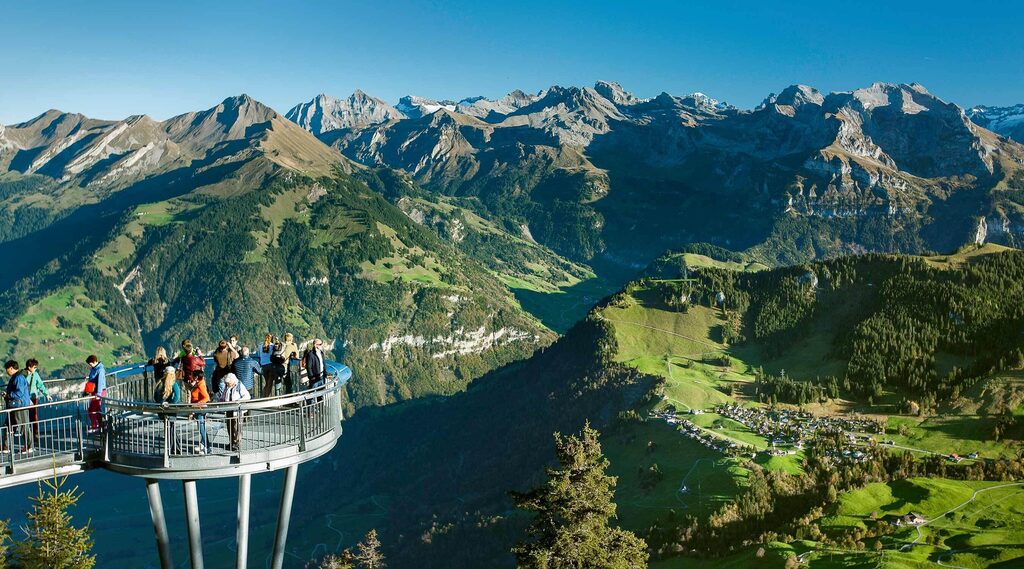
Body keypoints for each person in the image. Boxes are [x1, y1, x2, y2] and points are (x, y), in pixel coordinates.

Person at [5, 360, 33, 453]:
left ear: (11, 368)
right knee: (8, 426)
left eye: (7, 369)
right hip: (14, 405)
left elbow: (19, 393)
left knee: (23, 426)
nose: (6, 371)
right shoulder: (16, 377)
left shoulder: (19, 378)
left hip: (20, 406)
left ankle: (29, 446)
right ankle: (5, 447)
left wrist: (9, 395)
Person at [218, 372, 251, 451]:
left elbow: (247, 396)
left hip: (237, 411)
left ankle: (237, 444)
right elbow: (223, 396)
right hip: (229, 410)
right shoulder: (227, 386)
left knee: (237, 428)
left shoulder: (239, 385)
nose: (227, 384)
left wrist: (238, 401)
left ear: (233, 381)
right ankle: (231, 442)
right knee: (230, 427)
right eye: (226, 383)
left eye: (228, 383)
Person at [154, 366, 182, 453]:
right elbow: (177, 397)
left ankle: (172, 447)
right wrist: (170, 404)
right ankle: (175, 448)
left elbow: (155, 396)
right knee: (172, 427)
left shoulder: (160, 383)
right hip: (171, 410)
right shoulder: (174, 384)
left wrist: (162, 402)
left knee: (169, 428)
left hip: (161, 409)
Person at [185, 369, 210, 454]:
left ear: (196, 377)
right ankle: (204, 445)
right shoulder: (199, 383)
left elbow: (206, 397)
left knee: (201, 428)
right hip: (199, 408)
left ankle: (206, 447)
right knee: (201, 427)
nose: (191, 376)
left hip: (200, 409)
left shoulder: (200, 385)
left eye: (192, 375)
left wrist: (197, 404)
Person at [24, 359, 48, 441]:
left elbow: (40, 385)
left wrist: (46, 394)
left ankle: (34, 434)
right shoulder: (22, 375)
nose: (36, 369)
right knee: (26, 416)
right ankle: (28, 435)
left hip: (33, 398)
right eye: (34, 367)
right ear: (29, 367)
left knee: (34, 416)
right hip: (25, 398)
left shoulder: (35, 374)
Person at [83, 355, 106, 432]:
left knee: (91, 410)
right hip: (95, 391)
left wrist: (98, 394)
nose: (90, 365)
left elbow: (100, 382)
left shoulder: (100, 370)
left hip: (99, 392)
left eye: (90, 364)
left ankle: (94, 426)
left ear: (94, 362)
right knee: (97, 409)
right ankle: (101, 425)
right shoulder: (94, 368)